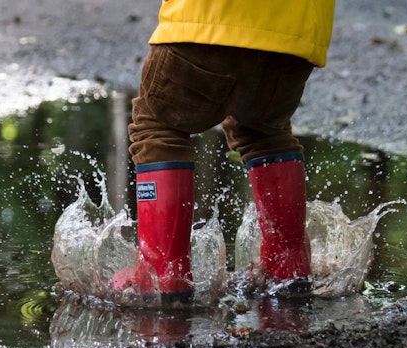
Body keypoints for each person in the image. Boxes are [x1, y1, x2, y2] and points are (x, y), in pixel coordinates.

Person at [112, 0, 336, 303]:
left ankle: (161, 275)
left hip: (212, 18)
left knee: (158, 125)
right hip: (296, 36)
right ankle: (287, 268)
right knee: (264, 131)